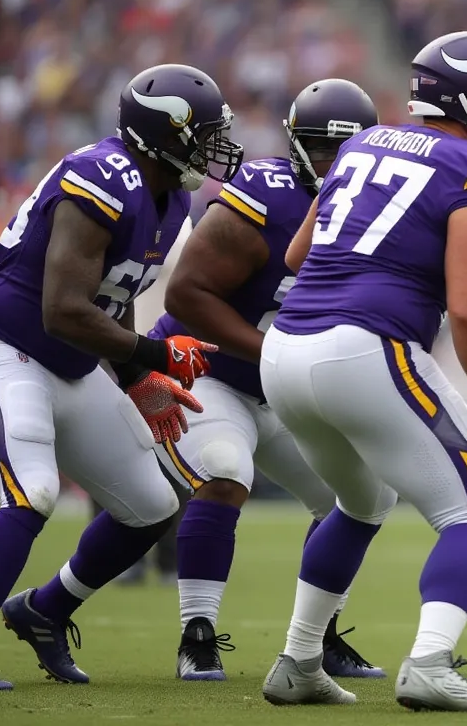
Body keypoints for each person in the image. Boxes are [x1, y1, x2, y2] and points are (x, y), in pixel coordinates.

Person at [258, 30, 467, 713]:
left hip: (285, 348)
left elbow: (297, 255)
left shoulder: (362, 141)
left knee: (363, 501)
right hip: (365, 348)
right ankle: (431, 662)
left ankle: (298, 660)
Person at [0, 63, 236, 689]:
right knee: (33, 492)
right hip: (2, 346)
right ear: (165, 134)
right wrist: (158, 357)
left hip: (68, 362)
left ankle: (46, 611)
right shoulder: (100, 177)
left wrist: (135, 376)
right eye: (203, 135)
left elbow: (115, 292)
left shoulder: (170, 196)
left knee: (155, 502)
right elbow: (63, 307)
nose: (214, 149)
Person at [150, 78, 384, 682]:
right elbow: (185, 294)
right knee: (226, 472)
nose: (334, 165)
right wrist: (272, 350)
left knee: (354, 496)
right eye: (322, 148)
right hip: (209, 374)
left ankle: (319, 639)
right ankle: (197, 636)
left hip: (281, 386)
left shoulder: (378, 208)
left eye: (348, 151)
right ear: (295, 144)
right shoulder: (266, 194)